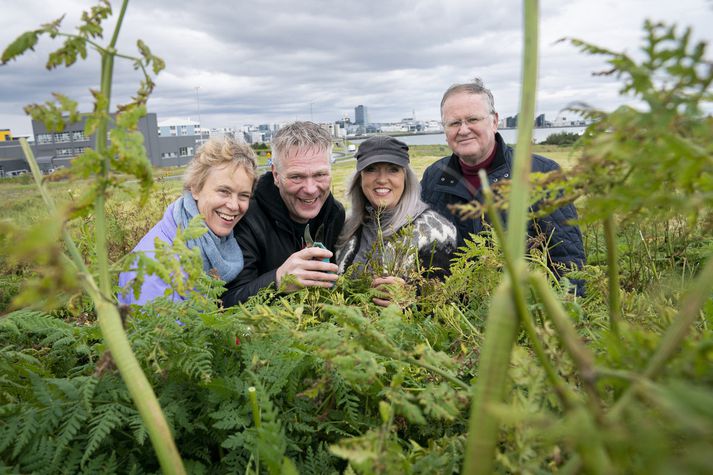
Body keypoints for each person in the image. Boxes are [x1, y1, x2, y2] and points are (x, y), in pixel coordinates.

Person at [421, 78, 585, 289]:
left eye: (472, 119)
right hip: (455, 315)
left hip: (525, 310)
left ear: (494, 121)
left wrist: (563, 313)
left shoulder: (541, 173)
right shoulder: (434, 176)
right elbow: (423, 253)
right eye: (454, 123)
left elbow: (568, 257)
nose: (463, 130)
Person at [118, 137, 258, 305]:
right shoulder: (154, 268)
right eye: (224, 191)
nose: (234, 205)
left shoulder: (215, 240)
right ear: (196, 188)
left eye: (244, 195)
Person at [221, 121, 345, 306]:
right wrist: (278, 280)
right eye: (297, 177)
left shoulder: (334, 213)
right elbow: (227, 302)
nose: (311, 189)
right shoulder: (246, 218)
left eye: (320, 175)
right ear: (276, 175)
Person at [336, 136, 458, 307]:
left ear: (406, 177)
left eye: (393, 169)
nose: (381, 179)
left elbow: (446, 306)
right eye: (371, 169)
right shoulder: (347, 226)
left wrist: (410, 300)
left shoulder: (436, 232)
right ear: (360, 178)